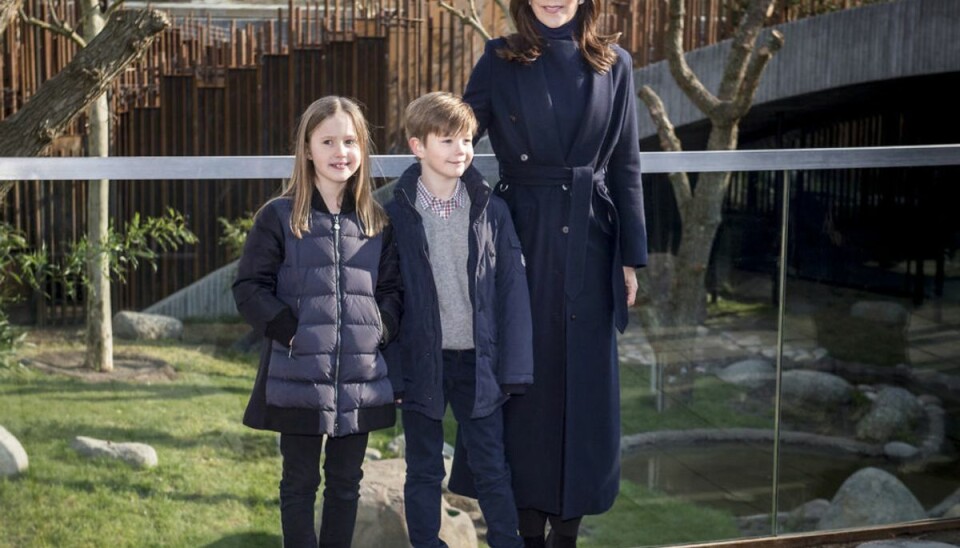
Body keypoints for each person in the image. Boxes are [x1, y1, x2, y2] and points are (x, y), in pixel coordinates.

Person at [458, 0, 649, 545]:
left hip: (592, 246)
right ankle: (520, 532)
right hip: (519, 242)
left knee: (583, 393)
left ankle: (567, 534)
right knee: (522, 386)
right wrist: (466, 213)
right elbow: (460, 142)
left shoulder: (616, 63)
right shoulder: (498, 57)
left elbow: (626, 164)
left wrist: (630, 258)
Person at [232, 96, 402, 548]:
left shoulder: (376, 222)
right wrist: (291, 330)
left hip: (360, 378)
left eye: (350, 141)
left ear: (363, 149)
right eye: (328, 141)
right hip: (297, 376)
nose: (339, 151)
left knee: (347, 483)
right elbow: (249, 288)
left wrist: (379, 328)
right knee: (299, 482)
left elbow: (393, 292)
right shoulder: (279, 217)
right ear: (307, 148)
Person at [383, 91, 534, 548]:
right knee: (424, 467)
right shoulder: (395, 215)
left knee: (491, 464)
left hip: (478, 361)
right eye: (447, 140)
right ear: (417, 146)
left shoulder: (492, 211)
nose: (460, 151)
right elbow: (386, 296)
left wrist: (514, 366)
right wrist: (392, 373)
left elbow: (511, 291)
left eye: (467, 140)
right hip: (422, 361)